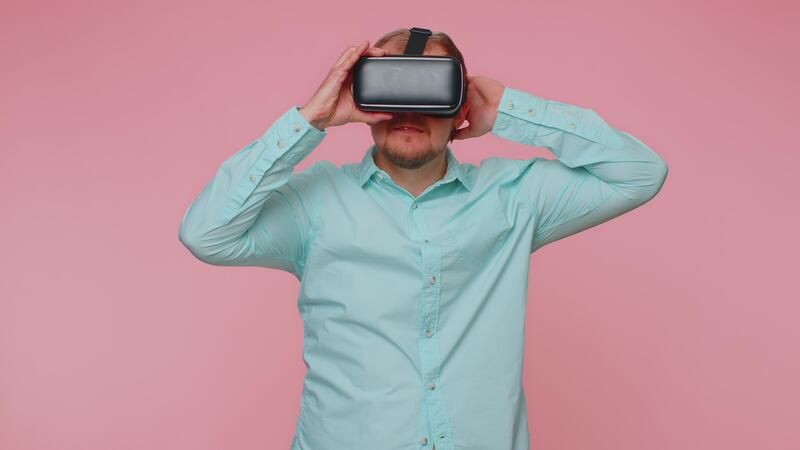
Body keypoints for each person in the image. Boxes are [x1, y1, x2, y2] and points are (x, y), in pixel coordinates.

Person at [178, 29, 668, 450]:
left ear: (458, 106)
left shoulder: (514, 198)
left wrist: (508, 109)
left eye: (429, 87)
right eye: (391, 85)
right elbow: (206, 234)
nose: (408, 110)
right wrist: (310, 119)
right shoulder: (315, 203)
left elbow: (641, 173)